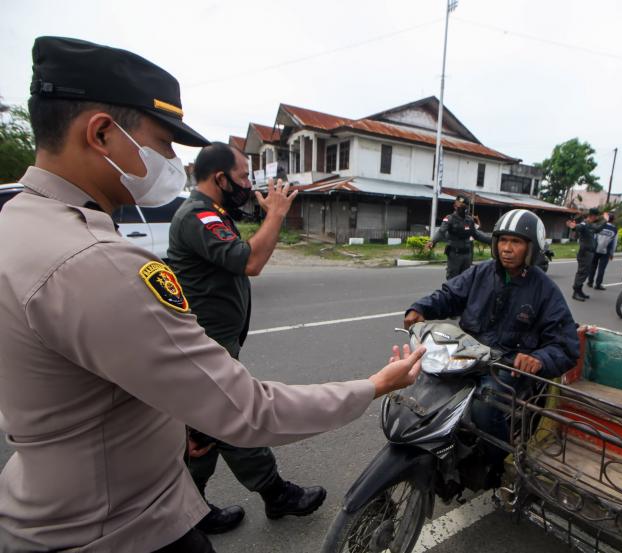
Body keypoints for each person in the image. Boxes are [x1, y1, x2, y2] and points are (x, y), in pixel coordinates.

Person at [0, 36, 424, 553]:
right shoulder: (97, 259)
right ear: (102, 133)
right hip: (119, 528)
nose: (171, 159)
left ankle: (234, 492)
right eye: (162, 142)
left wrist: (179, 416)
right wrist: (374, 385)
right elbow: (247, 407)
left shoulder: (19, 223)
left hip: (72, 497)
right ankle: (269, 492)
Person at [166, 143, 323, 535]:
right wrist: (277, 214)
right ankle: (274, 494)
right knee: (233, 418)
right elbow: (250, 261)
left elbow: (243, 255)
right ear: (219, 178)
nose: (247, 186)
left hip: (213, 342)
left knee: (206, 426)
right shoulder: (198, 214)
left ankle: (191, 510)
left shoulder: (212, 212)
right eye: (241, 178)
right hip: (205, 343)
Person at [404, 209, 580, 446]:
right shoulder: (481, 272)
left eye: (516, 242)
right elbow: (449, 295)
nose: (506, 248)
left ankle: (501, 456)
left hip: (506, 366)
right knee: (426, 381)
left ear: (531, 248)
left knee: (483, 406)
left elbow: (565, 346)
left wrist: (538, 359)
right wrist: (420, 308)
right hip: (467, 355)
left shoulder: (545, 290)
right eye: (503, 240)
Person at [427, 195, 491, 280]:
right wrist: (433, 241)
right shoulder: (450, 218)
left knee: (465, 280)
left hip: (467, 256)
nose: (461, 207)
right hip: (455, 255)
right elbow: (441, 232)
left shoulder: (470, 220)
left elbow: (476, 234)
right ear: (455, 206)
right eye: (459, 205)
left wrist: (492, 240)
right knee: (452, 281)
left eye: (464, 206)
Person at [566, 208, 606, 301]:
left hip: (589, 253)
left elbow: (598, 229)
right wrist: (573, 227)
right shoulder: (584, 224)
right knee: (582, 272)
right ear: (592, 215)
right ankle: (575, 292)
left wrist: (605, 221)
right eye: (596, 216)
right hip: (585, 253)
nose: (597, 218)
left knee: (586, 272)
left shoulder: (591, 225)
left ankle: (579, 291)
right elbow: (578, 227)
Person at [587, 212, 618, 290]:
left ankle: (590, 282)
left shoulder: (599, 226)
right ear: (613, 220)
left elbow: (593, 237)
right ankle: (598, 284)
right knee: (602, 268)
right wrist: (612, 253)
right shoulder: (614, 229)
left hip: (595, 249)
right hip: (606, 251)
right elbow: (614, 242)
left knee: (593, 266)